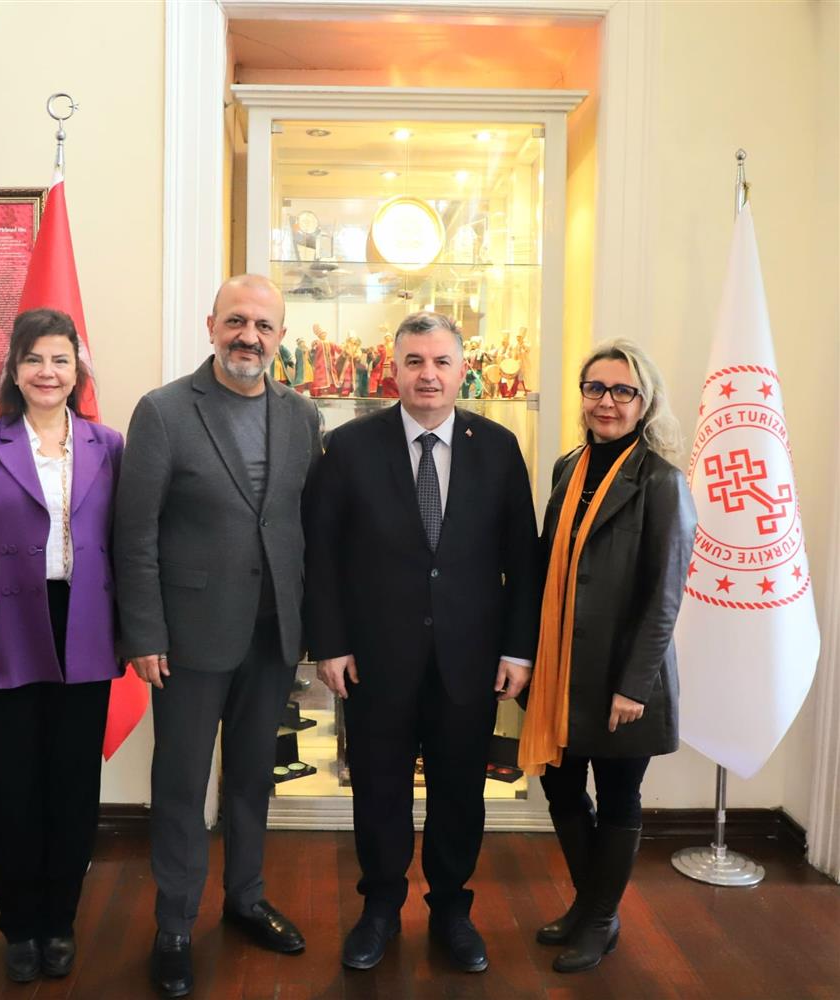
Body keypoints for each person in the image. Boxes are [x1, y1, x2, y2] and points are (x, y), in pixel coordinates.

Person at [305, 311, 541, 973]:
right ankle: (380, 908)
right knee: (379, 789)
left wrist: (517, 650)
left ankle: (451, 910)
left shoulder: (497, 447)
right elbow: (322, 556)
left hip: (471, 659)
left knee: (459, 791)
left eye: (441, 362)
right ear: (394, 369)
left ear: (462, 370)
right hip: (375, 659)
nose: (428, 375)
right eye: (414, 361)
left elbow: (523, 562)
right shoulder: (349, 446)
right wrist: (330, 643)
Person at [114, 274, 321, 999]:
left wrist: (312, 626)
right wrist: (144, 631)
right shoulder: (164, 411)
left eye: (263, 326)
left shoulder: (301, 415)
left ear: (280, 337)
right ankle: (174, 927)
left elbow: (303, 525)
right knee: (181, 784)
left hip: (273, 635)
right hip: (188, 639)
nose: (249, 337)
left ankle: (245, 899)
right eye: (236, 321)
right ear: (211, 326)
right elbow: (134, 532)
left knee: (253, 777)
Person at [0, 308, 124, 983]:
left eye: (60, 360)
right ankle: (19, 924)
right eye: (34, 359)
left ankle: (59, 921)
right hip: (2, 632)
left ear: (78, 370)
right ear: (15, 371)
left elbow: (126, 545)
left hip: (86, 627)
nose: (48, 372)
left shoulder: (110, 445)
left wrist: (132, 633)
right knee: (9, 785)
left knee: (72, 784)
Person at [518, 338, 696, 974]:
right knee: (563, 788)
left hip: (622, 676)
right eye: (595, 388)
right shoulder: (568, 467)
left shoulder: (663, 482)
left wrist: (634, 685)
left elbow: (665, 596)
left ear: (646, 402)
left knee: (619, 795)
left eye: (623, 390)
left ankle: (597, 919)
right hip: (561, 668)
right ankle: (592, 905)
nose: (607, 402)